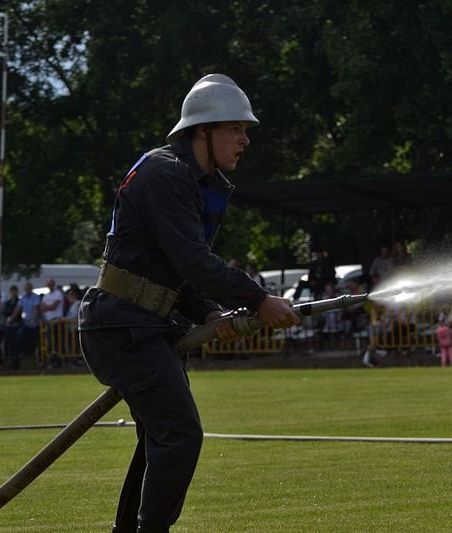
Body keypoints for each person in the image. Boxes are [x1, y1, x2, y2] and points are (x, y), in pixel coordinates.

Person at [78, 73, 299, 532]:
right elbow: (194, 260)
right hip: (121, 327)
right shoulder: (166, 172)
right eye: (236, 129)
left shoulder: (194, 180)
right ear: (204, 130)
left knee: (160, 439)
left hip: (145, 327)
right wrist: (259, 300)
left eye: (246, 131)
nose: (244, 141)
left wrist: (209, 313)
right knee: (180, 435)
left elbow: (177, 271)